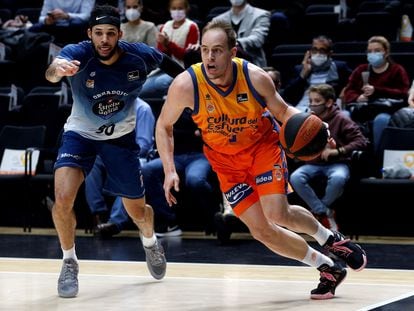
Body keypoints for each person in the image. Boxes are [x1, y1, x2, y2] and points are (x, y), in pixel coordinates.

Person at [156, 20, 367, 300]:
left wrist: (318, 127)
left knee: (277, 213)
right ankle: (328, 267)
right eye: (205, 50)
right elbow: (163, 126)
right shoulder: (186, 85)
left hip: (262, 148)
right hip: (226, 163)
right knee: (261, 231)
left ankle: (330, 239)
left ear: (233, 52)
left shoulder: (254, 77)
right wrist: (169, 170)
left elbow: (283, 111)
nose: (209, 57)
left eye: (217, 50)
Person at [44, 5, 184, 298]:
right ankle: (69, 261)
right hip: (80, 134)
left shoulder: (138, 54)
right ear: (89, 34)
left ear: (119, 34)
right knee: (62, 200)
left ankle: (150, 241)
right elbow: (51, 72)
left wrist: (194, 84)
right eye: (98, 34)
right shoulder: (78, 52)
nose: (104, 39)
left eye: (110, 33)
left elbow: (174, 67)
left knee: (137, 210)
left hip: (120, 139)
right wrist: (58, 70)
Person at [289, 84, 368, 231]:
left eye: (316, 101)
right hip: (313, 163)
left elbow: (361, 141)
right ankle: (325, 212)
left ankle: (318, 212)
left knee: (338, 178)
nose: (312, 105)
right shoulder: (307, 119)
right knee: (295, 177)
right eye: (310, 101)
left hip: (338, 162)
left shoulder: (341, 118)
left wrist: (337, 151)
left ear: (329, 102)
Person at [85, 97, 156, 238]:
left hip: (136, 156)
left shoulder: (142, 109)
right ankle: (98, 214)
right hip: (110, 153)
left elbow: (144, 144)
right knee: (91, 164)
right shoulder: (109, 108)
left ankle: (115, 222)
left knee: (127, 169)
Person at [143, 108, 220, 237]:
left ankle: (214, 216)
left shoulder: (203, 102)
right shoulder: (170, 105)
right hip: (175, 155)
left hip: (200, 154)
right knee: (147, 170)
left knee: (195, 180)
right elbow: (162, 130)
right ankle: (168, 221)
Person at [343, 35, 410, 150]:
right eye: (370, 51)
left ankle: (377, 156)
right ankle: (346, 153)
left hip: (386, 110)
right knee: (343, 115)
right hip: (363, 109)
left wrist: (377, 90)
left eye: (377, 51)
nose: (373, 54)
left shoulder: (397, 70)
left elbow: (403, 93)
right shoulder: (361, 69)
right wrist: (358, 97)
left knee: (381, 120)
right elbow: (348, 91)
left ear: (386, 52)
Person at [139, 0, 199, 98]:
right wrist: (163, 45)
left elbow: (187, 56)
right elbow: (160, 55)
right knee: (141, 85)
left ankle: (172, 95)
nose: (177, 11)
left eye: (180, 8)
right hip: (163, 70)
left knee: (161, 82)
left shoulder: (192, 27)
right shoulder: (165, 26)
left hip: (181, 70)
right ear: (169, 10)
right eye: (174, 9)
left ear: (186, 9)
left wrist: (168, 43)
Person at [282, 35, 352, 111]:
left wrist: (345, 89)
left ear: (330, 53)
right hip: (302, 107)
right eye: (314, 50)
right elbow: (287, 94)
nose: (318, 53)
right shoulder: (300, 69)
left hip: (326, 108)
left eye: (322, 50)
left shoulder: (339, 67)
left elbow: (353, 82)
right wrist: (303, 74)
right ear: (310, 52)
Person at [212, 0, 270, 68]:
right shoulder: (217, 20)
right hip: (224, 66)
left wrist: (237, 42)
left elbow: (258, 39)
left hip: (253, 65)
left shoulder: (261, 14)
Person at [30, 0, 95, 44]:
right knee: (33, 29)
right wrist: (47, 20)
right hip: (53, 24)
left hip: (73, 26)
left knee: (77, 23)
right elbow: (41, 18)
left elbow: (86, 16)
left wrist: (67, 16)